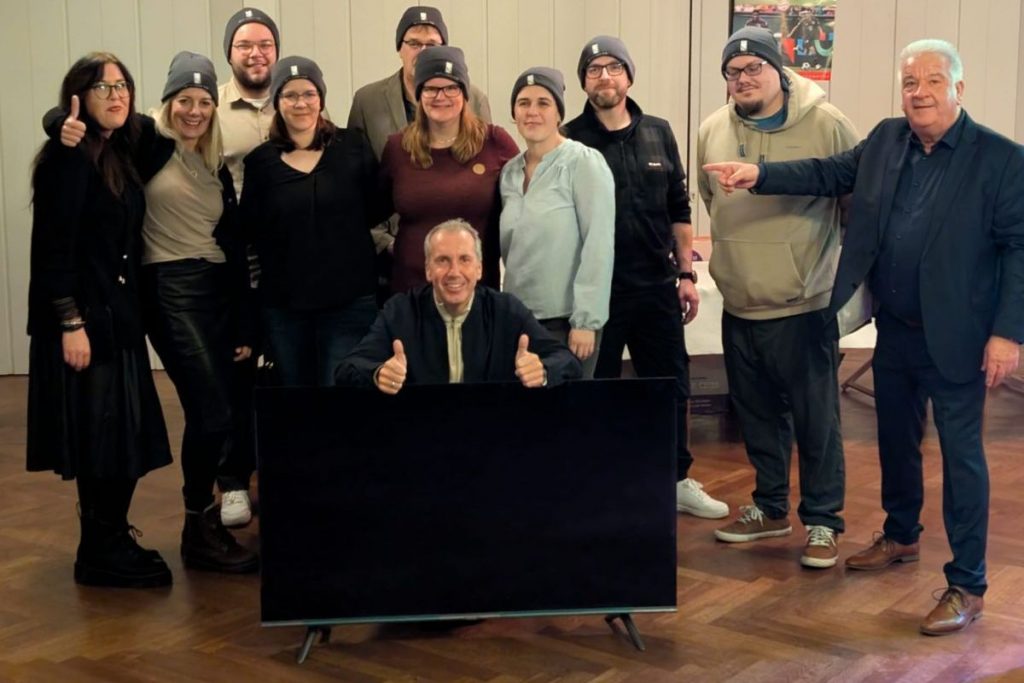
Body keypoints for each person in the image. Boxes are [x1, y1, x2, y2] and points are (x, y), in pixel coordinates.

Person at [704, 39, 1024, 634]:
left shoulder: (1001, 159)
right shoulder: (886, 139)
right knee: (895, 443)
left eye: (933, 81)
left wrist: (1008, 334)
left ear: (959, 88)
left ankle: (968, 584)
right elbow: (828, 173)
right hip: (895, 332)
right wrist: (760, 174)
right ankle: (901, 536)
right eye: (910, 83)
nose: (919, 93)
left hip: (959, 338)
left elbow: (1018, 249)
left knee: (962, 461)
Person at [49, 53, 260, 573]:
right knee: (211, 411)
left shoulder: (214, 160)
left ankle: (198, 528)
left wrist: (242, 318)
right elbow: (88, 118)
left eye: (205, 101)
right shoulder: (146, 140)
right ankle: (199, 521)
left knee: (226, 411)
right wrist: (58, 122)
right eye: (184, 100)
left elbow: (232, 244)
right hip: (169, 290)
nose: (195, 111)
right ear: (167, 102)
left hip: (216, 291)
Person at [696, 27, 859, 568]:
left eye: (754, 68)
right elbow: (711, 201)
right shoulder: (712, 129)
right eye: (732, 72)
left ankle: (823, 521)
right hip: (740, 301)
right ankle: (770, 508)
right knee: (757, 416)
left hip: (803, 304)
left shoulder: (826, 123)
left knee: (817, 422)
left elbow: (852, 200)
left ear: (779, 70)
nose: (743, 79)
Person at [564, 36, 728, 519]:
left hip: (656, 288)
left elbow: (678, 208)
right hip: (598, 294)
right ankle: (601, 481)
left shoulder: (659, 131)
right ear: (584, 82)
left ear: (629, 77)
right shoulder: (570, 139)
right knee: (598, 389)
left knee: (671, 385)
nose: (605, 76)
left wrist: (686, 274)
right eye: (594, 69)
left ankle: (675, 478)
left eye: (614, 67)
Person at [27, 52, 173, 588]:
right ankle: (100, 548)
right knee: (101, 443)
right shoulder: (67, 159)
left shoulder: (118, 149)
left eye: (123, 85)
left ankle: (106, 541)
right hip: (85, 323)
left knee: (121, 441)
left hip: (118, 318)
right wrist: (70, 323)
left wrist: (62, 119)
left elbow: (159, 137)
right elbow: (52, 249)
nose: (117, 95)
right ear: (79, 96)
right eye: (103, 87)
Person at [241, 56, 390, 387]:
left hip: (349, 302)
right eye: (290, 95)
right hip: (285, 307)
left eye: (309, 93)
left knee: (339, 392)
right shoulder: (260, 163)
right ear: (276, 102)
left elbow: (378, 207)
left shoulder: (353, 146)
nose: (301, 103)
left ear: (321, 98)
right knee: (296, 399)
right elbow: (253, 231)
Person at [347, 5, 493, 297]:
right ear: (399, 48)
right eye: (414, 43)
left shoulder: (474, 99)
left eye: (432, 45)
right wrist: (384, 242)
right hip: (397, 259)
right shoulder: (367, 101)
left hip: (460, 261)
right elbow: (359, 187)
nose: (423, 52)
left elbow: (488, 174)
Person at [337, 219, 582, 390]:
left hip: (491, 432)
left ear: (479, 268)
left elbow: (567, 361)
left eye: (464, 259)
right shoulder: (399, 312)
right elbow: (348, 369)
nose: (454, 272)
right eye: (443, 260)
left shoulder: (507, 310)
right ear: (428, 269)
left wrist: (543, 371)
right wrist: (378, 374)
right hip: (422, 431)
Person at [499, 67, 614, 378]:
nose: (532, 112)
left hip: (568, 323)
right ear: (514, 113)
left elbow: (599, 245)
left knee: (569, 407)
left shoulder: (583, 162)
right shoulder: (509, 173)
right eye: (523, 103)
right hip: (519, 321)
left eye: (543, 103)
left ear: (559, 113)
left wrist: (586, 321)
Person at [380, 45, 518, 295]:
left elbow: (525, 206)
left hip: (475, 291)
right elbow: (371, 210)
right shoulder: (398, 148)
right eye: (430, 88)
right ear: (419, 94)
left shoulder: (494, 142)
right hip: (412, 292)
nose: (440, 96)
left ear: (464, 93)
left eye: (451, 87)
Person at [216, 5, 281, 528]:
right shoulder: (208, 107)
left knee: (281, 372)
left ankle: (281, 472)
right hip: (231, 264)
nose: (255, 54)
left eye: (264, 44)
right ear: (229, 54)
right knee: (234, 375)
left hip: (287, 261)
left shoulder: (297, 99)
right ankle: (233, 479)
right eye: (244, 45)